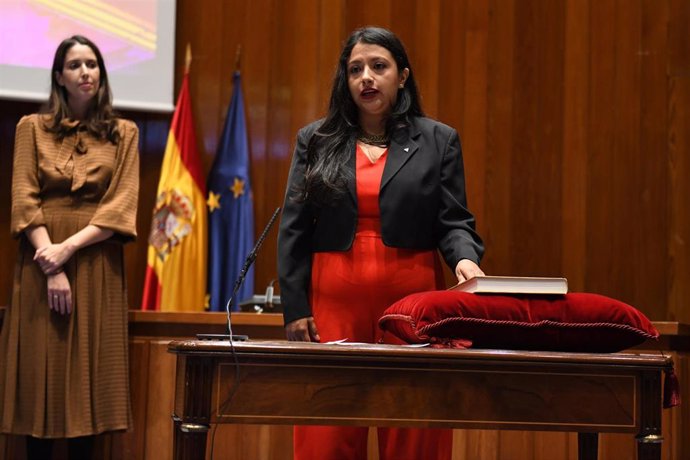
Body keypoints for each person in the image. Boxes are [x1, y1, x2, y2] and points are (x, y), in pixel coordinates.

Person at [278, 26, 485, 460]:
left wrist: (466, 261)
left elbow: (453, 221)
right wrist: (295, 309)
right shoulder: (316, 140)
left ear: (402, 76)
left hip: (412, 300)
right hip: (333, 299)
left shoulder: (437, 140)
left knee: (413, 423)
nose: (366, 78)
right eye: (355, 69)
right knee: (329, 427)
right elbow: (294, 228)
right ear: (345, 80)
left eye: (378, 66)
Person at [0, 35, 139, 460]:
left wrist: (68, 250)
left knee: (89, 387)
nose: (86, 72)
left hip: (96, 262)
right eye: (75, 65)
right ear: (59, 77)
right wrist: (52, 263)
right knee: (39, 375)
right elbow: (24, 199)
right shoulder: (30, 128)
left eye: (93, 64)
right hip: (41, 264)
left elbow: (121, 206)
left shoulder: (124, 133)